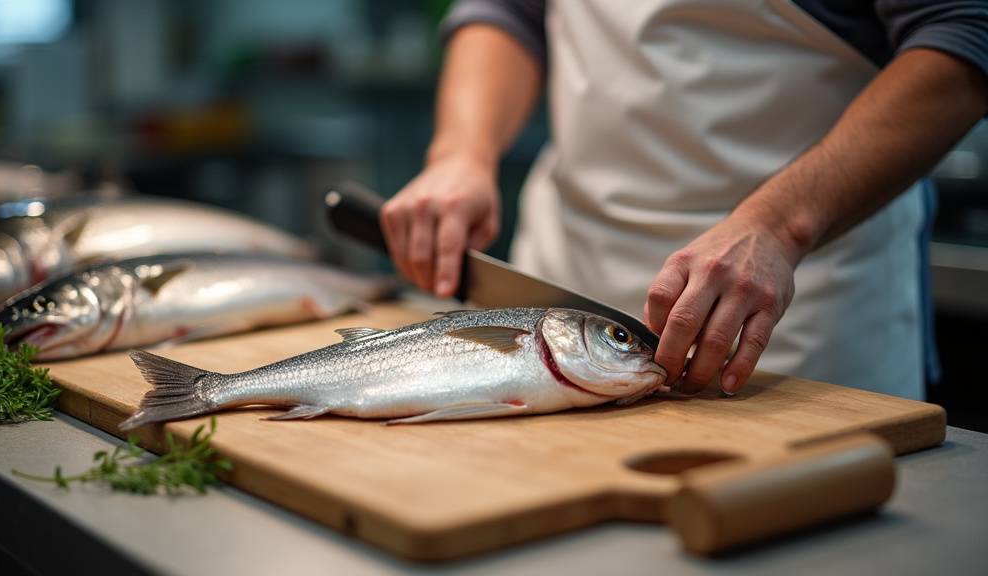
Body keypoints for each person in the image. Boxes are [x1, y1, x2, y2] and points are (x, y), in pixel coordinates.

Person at [379, 1, 988, 400]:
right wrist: (462, 153)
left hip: (802, 311)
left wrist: (778, 226)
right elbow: (509, 11)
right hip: (568, 265)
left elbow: (964, 30)